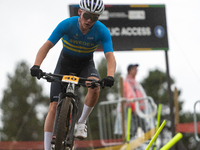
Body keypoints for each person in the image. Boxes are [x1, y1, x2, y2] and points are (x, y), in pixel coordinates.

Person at [30, 0, 116, 149]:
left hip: (85, 65)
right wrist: (37, 65)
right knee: (53, 106)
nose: (89, 20)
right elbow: (47, 45)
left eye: (94, 18)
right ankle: (46, 147)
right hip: (65, 64)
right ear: (79, 12)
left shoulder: (102, 31)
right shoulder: (67, 24)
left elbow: (109, 56)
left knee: (95, 86)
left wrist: (110, 75)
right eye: (87, 15)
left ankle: (81, 122)